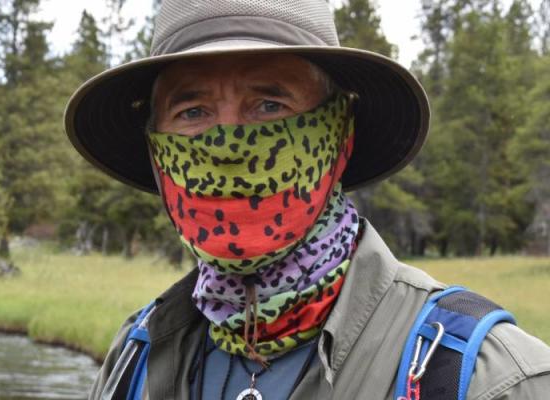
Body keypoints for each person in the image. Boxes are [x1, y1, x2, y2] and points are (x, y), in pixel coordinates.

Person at [62, 0, 550, 399]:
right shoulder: (135, 359)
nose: (229, 145)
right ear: (157, 152)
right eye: (193, 111)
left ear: (339, 136)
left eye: (270, 105)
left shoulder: (486, 377)